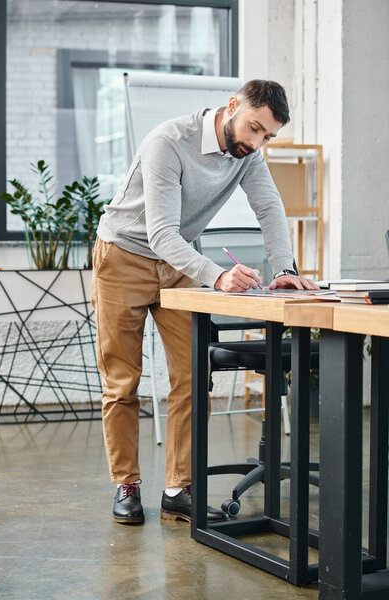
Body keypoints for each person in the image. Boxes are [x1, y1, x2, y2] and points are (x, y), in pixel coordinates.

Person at [91, 79, 318, 525]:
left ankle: (178, 488)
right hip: (124, 256)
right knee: (123, 381)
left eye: (267, 137)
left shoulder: (247, 154)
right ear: (232, 106)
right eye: (254, 129)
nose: (256, 143)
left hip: (177, 261)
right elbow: (160, 233)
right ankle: (127, 484)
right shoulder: (167, 142)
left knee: (192, 374)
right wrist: (217, 276)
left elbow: (268, 207)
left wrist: (286, 269)